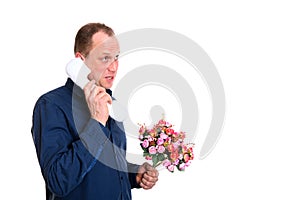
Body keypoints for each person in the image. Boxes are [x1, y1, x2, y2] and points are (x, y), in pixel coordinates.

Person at [31, 22, 159, 200]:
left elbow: (103, 169)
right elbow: (58, 180)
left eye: (116, 57)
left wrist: (134, 174)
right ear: (80, 61)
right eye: (105, 58)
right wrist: (97, 123)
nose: (114, 67)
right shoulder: (51, 105)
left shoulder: (111, 104)